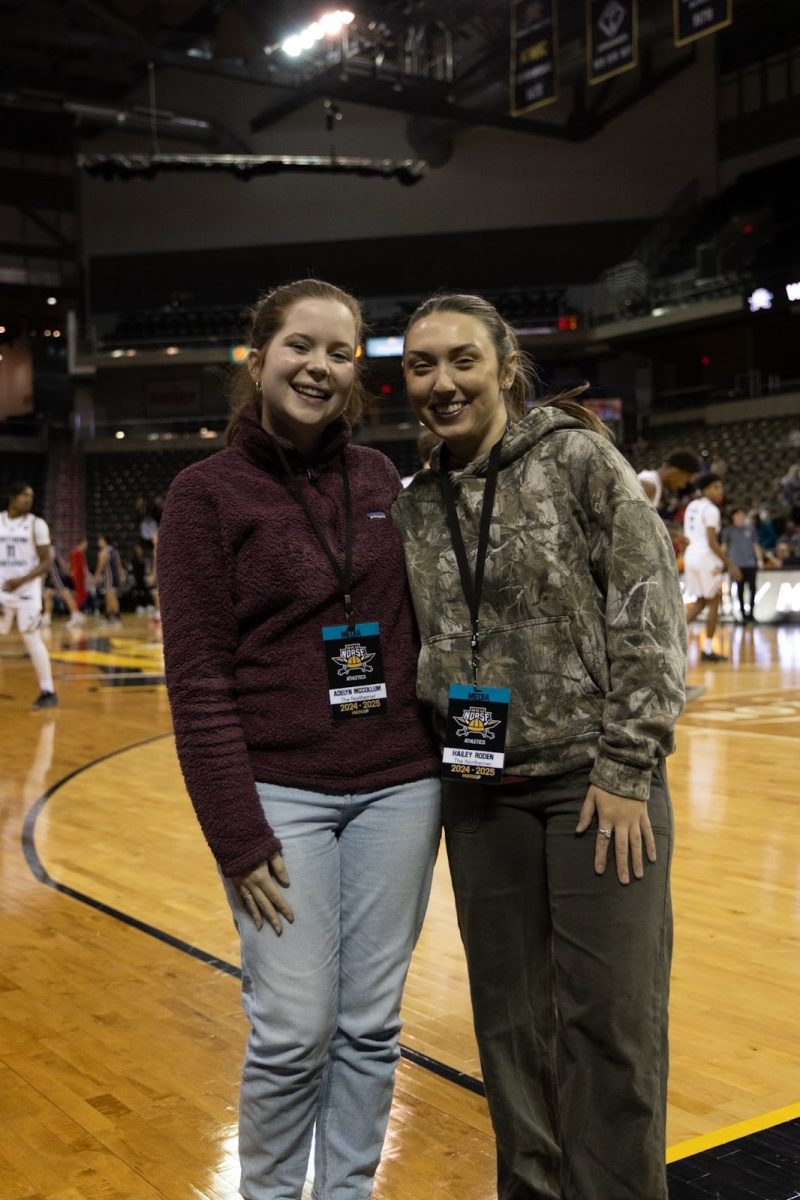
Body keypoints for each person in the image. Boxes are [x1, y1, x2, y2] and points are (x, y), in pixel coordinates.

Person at [393, 293, 686, 1200]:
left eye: (461, 360)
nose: (442, 383)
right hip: (479, 793)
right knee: (509, 1029)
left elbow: (648, 612)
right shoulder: (415, 499)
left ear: (505, 367)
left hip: (595, 790)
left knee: (611, 1026)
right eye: (420, 366)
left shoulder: (577, 458)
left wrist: (629, 766)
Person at [157, 279, 441, 1200]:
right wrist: (237, 835)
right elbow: (197, 683)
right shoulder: (203, 497)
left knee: (370, 1025)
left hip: (400, 787)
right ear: (258, 358)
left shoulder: (380, 479)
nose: (320, 366)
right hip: (280, 795)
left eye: (341, 352)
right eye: (300, 347)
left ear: (358, 370)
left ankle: (347, 1192)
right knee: (292, 1027)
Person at [0, 481, 59, 708]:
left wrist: (22, 580)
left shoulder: (37, 525)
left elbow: (46, 561)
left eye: (31, 496)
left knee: (31, 637)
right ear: (12, 498)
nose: (29, 500)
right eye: (24, 495)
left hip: (27, 592)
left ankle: (48, 691)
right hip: (3, 591)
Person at [683, 474, 741, 662]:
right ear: (706, 489)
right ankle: (708, 649)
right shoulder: (711, 509)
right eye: (716, 487)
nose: (720, 491)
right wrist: (729, 564)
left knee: (701, 601)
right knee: (714, 601)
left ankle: (673, 635)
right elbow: (711, 542)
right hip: (705, 557)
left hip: (690, 555)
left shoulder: (691, 506)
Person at [721, 508, 764, 622]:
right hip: (736, 565)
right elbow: (724, 547)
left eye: (741, 514)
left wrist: (759, 559)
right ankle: (742, 613)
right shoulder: (728, 530)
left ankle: (752, 613)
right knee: (739, 589)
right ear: (733, 517)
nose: (740, 517)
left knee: (752, 589)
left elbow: (756, 545)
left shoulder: (751, 529)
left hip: (750, 563)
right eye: (737, 515)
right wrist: (722, 562)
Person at [95, 534, 125, 625]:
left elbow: (101, 566)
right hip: (115, 577)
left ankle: (117, 617)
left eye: (100, 540)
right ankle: (108, 617)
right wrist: (121, 577)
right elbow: (119, 565)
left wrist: (96, 577)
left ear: (104, 541)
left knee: (111, 598)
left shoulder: (103, 552)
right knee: (109, 597)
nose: (98, 542)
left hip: (109, 577)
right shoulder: (115, 551)